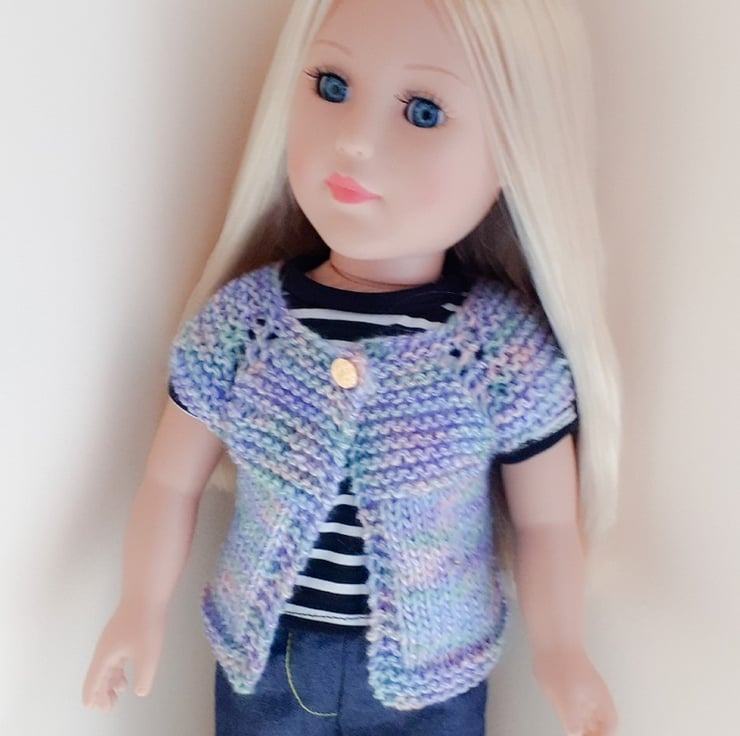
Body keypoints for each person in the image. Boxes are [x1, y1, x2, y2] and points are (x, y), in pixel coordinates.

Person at [83, 1, 621, 734]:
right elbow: (169, 483)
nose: (356, 142)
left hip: (434, 680)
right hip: (266, 665)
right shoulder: (241, 327)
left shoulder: (501, 354)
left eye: (424, 112)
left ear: (516, 156)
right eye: (332, 88)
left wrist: (561, 652)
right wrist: (140, 606)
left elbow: (548, 523)